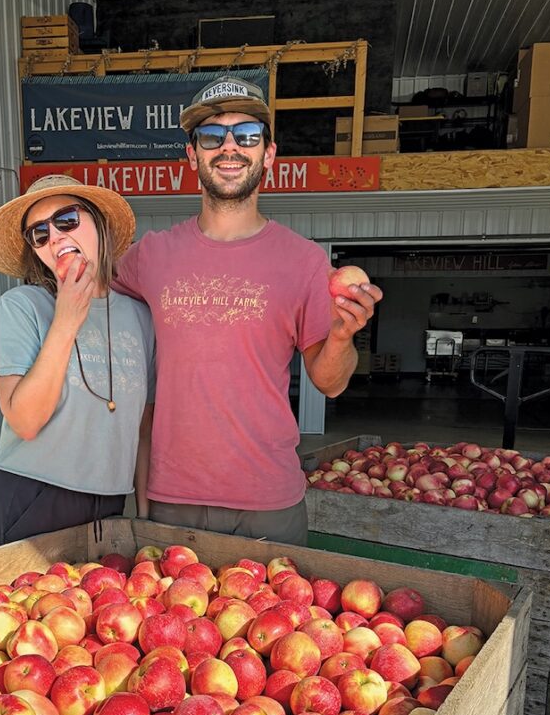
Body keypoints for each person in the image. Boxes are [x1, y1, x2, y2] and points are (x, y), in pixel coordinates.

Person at [112, 77, 382, 545]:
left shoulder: (304, 261)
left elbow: (331, 383)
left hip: (269, 499)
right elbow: (89, 298)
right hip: (173, 494)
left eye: (247, 134)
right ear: (192, 155)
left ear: (269, 154)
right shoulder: (149, 257)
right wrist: (24, 325)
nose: (229, 147)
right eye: (212, 136)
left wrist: (342, 337)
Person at [0, 174, 155, 549]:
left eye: (67, 220)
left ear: (100, 225)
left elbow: (142, 430)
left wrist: (145, 517)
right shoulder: (21, 307)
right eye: (39, 233)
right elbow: (25, 421)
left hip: (110, 502)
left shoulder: (141, 317)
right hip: (32, 494)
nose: (55, 236)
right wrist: (65, 321)